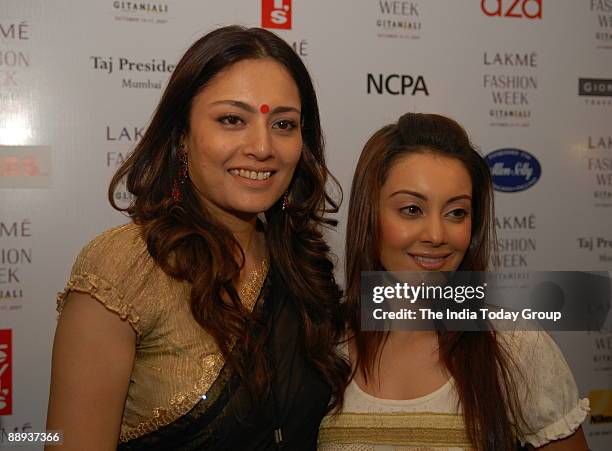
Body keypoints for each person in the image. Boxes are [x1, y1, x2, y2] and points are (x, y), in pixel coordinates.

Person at [47, 25, 349, 450]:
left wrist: (470, 311)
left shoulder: (300, 263)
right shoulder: (124, 267)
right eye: (232, 119)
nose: (262, 146)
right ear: (181, 136)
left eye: (283, 123)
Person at [318, 113, 590, 450]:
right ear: (369, 214)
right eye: (412, 210)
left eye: (456, 213)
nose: (436, 235)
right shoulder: (323, 345)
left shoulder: (514, 344)